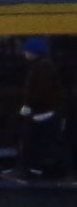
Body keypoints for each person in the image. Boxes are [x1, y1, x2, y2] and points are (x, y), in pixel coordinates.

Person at [14, 39, 64, 181]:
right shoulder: (43, 66)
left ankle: (30, 170)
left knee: (36, 142)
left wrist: (29, 106)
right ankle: (45, 170)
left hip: (42, 113)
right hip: (43, 111)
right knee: (46, 143)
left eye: (27, 51)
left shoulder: (42, 68)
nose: (25, 53)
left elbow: (39, 91)